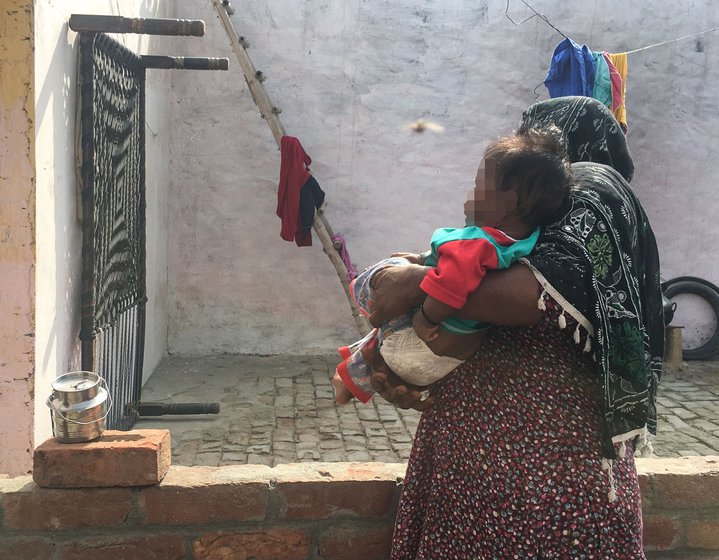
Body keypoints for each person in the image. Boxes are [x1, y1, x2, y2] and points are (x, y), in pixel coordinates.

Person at [334, 97, 663, 558]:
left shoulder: (595, 192)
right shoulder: (545, 218)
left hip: (546, 474)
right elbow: (483, 268)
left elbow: (533, 295)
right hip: (482, 464)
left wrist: (419, 285)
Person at [335, 130, 570, 404]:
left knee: (393, 267)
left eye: (478, 186)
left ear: (507, 202)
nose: (470, 195)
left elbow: (452, 281)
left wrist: (426, 318)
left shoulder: (475, 242)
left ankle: (361, 359)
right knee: (409, 279)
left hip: (421, 342)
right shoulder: (526, 243)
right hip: (448, 358)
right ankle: (355, 378)